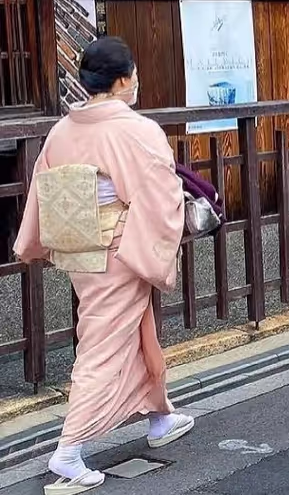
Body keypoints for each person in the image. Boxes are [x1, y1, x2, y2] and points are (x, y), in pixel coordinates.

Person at [14, 37, 192, 495]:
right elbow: (159, 192)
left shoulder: (63, 129)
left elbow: (43, 188)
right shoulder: (133, 129)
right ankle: (68, 452)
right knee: (102, 344)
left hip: (82, 250)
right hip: (118, 248)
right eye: (133, 73)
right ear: (122, 80)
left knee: (136, 329)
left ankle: (159, 416)